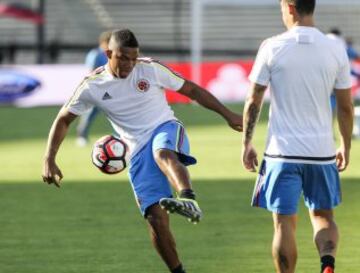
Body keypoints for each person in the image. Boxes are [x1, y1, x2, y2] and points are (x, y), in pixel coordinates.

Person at [42, 28, 243, 273]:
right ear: (108, 54)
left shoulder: (150, 69)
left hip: (164, 127)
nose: (129, 64)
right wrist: (49, 158)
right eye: (123, 58)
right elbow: (64, 119)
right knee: (155, 219)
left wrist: (228, 114)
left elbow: (191, 89)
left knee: (162, 153)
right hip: (135, 150)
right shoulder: (92, 85)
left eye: (133, 57)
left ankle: (188, 199)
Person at [241, 1, 354, 273]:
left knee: (283, 223)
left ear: (290, 7)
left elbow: (253, 99)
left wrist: (246, 143)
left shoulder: (272, 46)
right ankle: (327, 264)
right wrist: (345, 146)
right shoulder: (335, 49)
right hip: (322, 153)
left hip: (282, 153)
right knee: (323, 217)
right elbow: (346, 107)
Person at [76, 30, 112, 146]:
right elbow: (91, 72)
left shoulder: (111, 54)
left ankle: (120, 136)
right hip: (96, 88)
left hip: (110, 88)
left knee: (115, 111)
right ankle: (82, 136)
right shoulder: (95, 54)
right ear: (103, 42)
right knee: (91, 112)